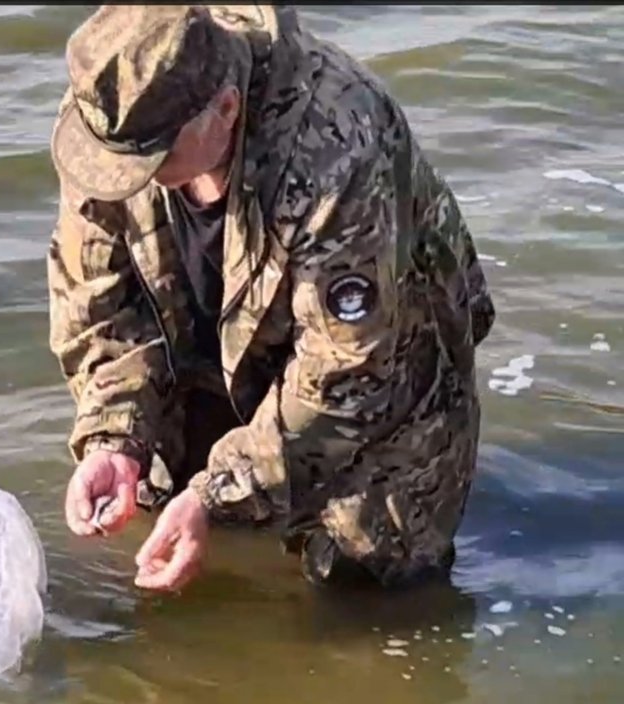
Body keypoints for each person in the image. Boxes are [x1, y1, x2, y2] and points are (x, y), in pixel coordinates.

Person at [46, 4, 496, 594]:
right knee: (163, 514)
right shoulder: (111, 120)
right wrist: (114, 439)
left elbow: (350, 370)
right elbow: (98, 307)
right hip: (214, 346)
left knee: (368, 577)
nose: (133, 179)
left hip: (386, 371)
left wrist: (217, 494)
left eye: (158, 161)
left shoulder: (339, 146)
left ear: (225, 109)